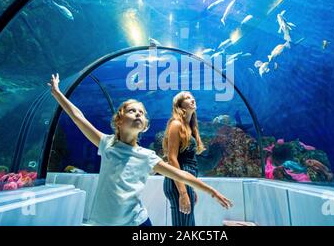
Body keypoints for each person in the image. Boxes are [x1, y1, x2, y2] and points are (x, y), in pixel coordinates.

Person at [47, 74, 232, 226]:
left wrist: (212, 191)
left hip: (138, 222)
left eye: (141, 113)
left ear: (144, 126)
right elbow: (78, 117)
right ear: (118, 121)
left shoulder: (147, 156)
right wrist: (57, 94)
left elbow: (182, 175)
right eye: (132, 111)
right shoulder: (106, 143)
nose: (137, 114)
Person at [162, 91, 205, 226]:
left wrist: (191, 187)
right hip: (178, 183)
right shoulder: (176, 124)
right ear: (180, 106)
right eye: (187, 98)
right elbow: (172, 159)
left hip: (184, 182)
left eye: (192, 97)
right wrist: (183, 192)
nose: (192, 99)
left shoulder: (189, 127)